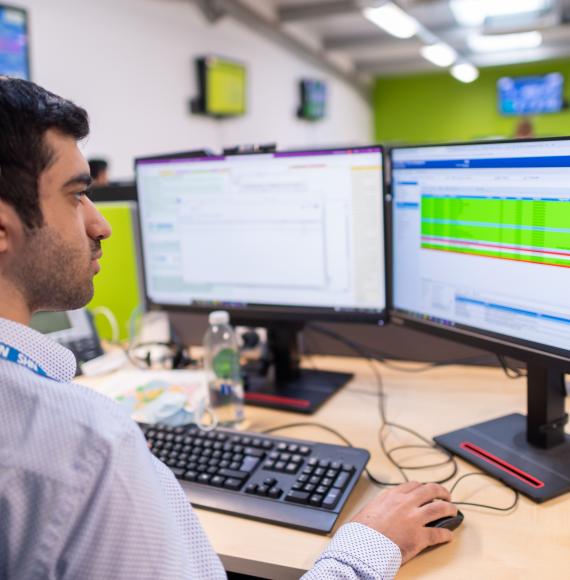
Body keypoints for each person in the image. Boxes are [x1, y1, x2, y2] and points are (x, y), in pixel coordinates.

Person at [0, 77, 458, 579]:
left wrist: (136, 470)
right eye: (77, 195)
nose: (102, 224)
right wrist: (366, 549)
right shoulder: (85, 445)